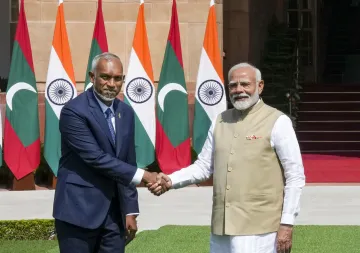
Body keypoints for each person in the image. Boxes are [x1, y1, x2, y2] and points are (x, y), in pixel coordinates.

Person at [148, 63, 306, 253]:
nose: (239, 90)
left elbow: (295, 176)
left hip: (259, 228)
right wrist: (170, 180)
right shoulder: (220, 120)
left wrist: (287, 223)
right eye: (233, 85)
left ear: (260, 86)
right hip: (221, 226)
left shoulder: (278, 121)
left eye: (245, 84)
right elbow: (204, 166)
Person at [53, 52, 159, 253]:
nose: (112, 84)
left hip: (113, 215)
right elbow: (95, 158)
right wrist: (144, 175)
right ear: (92, 77)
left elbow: (127, 159)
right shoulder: (73, 111)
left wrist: (130, 210)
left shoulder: (125, 112)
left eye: (117, 78)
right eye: (105, 77)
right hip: (78, 210)